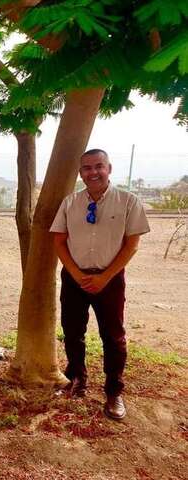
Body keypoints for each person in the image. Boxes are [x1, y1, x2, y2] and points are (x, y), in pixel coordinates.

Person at [50, 149, 149, 420]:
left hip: (110, 279)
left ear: (109, 168)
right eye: (87, 168)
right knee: (72, 331)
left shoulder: (127, 201)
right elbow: (59, 240)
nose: (93, 172)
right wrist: (75, 273)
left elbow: (132, 244)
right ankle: (77, 379)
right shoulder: (70, 203)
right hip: (74, 278)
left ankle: (114, 391)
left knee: (113, 336)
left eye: (98, 166)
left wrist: (105, 277)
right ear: (80, 173)